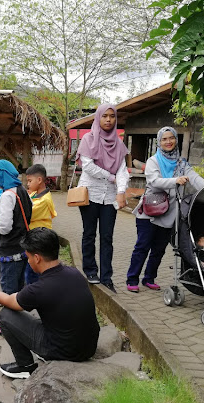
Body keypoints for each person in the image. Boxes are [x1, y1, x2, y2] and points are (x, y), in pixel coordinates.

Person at [0, 228, 100, 379]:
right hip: (89, 348)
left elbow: (10, 301)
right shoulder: (74, 273)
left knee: (5, 315)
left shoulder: (40, 289)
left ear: (37, 258)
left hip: (62, 352)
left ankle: (25, 366)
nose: (28, 261)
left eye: (28, 257)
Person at [126, 127, 204, 293]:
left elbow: (194, 178)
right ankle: (132, 279)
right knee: (142, 247)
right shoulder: (153, 161)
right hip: (149, 212)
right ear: (159, 142)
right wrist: (175, 181)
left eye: (171, 138)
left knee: (159, 249)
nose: (168, 141)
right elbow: (154, 181)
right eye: (164, 139)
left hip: (169, 214)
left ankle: (149, 278)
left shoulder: (181, 163)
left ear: (175, 140)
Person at [76, 104, 129, 293]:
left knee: (107, 237)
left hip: (110, 197)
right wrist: (110, 176)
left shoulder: (119, 144)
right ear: (98, 118)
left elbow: (122, 170)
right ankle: (90, 271)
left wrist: (121, 190)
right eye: (104, 116)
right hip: (90, 194)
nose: (108, 120)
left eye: (112, 116)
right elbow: (88, 167)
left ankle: (107, 277)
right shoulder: (88, 139)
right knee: (89, 234)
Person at [0, 160, 32, 335]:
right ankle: (18, 320)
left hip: (9, 249)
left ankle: (7, 323)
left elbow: (5, 226)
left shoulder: (7, 196)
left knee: (8, 289)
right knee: (19, 286)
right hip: (22, 248)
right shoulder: (22, 191)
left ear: (1, 174)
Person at [24, 164, 57, 284]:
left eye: (29, 181)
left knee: (34, 274)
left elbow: (27, 213)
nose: (28, 184)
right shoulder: (34, 194)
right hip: (33, 237)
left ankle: (34, 297)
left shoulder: (44, 200)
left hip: (38, 240)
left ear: (39, 180)